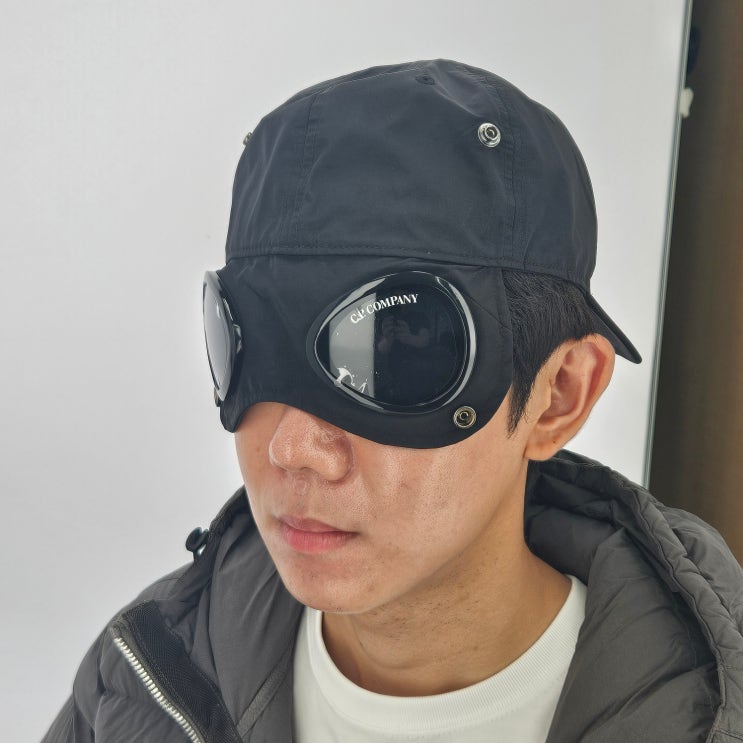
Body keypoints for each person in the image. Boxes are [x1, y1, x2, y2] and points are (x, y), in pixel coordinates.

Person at [44, 59, 743, 743]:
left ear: (558, 396)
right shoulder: (140, 685)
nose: (292, 448)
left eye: (394, 357)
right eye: (252, 347)